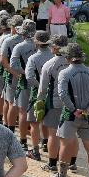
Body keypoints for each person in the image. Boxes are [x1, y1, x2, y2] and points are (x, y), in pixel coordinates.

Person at [51, 43, 89, 177]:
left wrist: (73, 110)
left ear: (68, 58)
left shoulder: (65, 73)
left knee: (65, 144)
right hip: (88, 115)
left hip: (70, 115)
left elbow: (62, 94)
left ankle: (62, 175)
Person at [36, 34, 69, 173]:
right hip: (71, 103)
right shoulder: (72, 62)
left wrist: (39, 101)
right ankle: (70, 163)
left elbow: (42, 88)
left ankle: (52, 164)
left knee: (53, 134)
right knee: (68, 135)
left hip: (54, 102)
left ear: (55, 47)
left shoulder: (49, 64)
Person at [21, 30, 54, 162]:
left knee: (34, 122)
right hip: (52, 92)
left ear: (36, 42)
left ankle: (35, 150)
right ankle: (46, 143)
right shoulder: (54, 57)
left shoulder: (33, 58)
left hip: (37, 92)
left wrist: (40, 86)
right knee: (48, 121)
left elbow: (29, 77)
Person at [9, 20, 38, 150]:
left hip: (25, 81)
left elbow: (13, 65)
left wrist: (25, 73)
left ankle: (23, 141)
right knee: (40, 112)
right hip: (40, 82)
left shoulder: (19, 47)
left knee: (22, 112)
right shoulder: (42, 46)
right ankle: (43, 142)